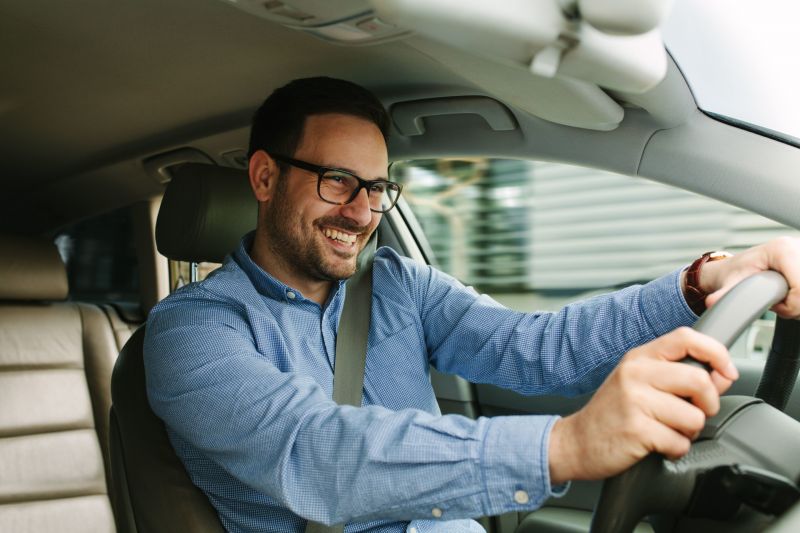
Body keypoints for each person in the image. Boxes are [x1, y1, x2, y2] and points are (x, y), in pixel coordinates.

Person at [144, 77, 800, 533]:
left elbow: (540, 349)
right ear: (264, 176)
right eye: (338, 181)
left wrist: (700, 280)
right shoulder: (189, 331)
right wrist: (564, 444)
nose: (362, 212)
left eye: (377, 189)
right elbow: (319, 453)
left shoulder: (397, 284)